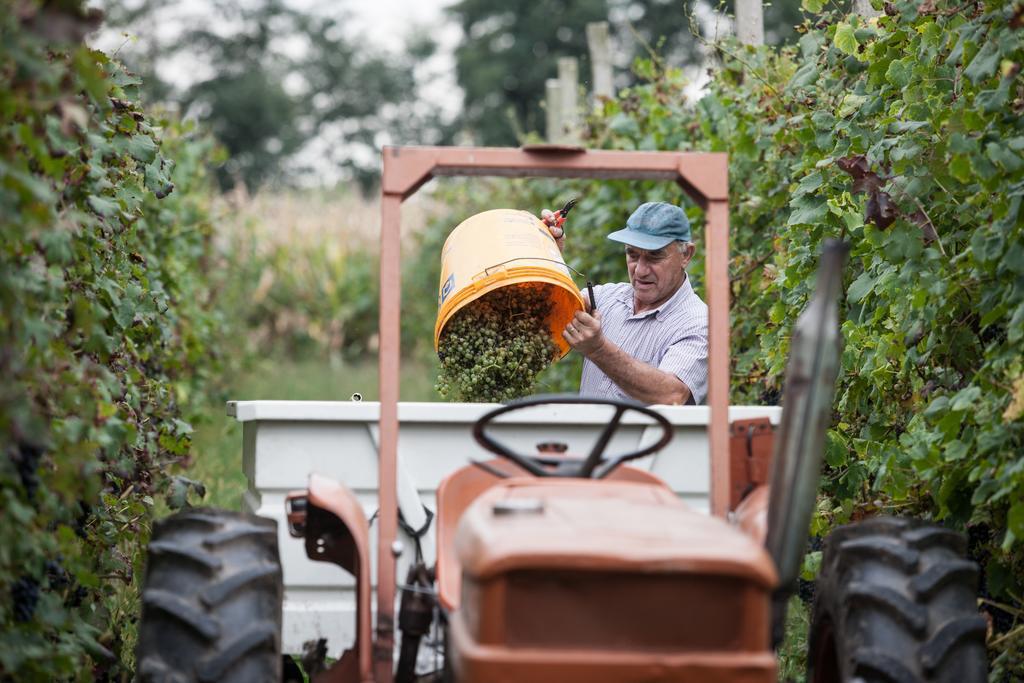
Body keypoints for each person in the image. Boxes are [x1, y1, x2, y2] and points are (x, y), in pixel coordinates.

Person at [541, 201, 708, 405]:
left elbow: (671, 395)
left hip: (653, 438)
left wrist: (598, 349)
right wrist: (545, 256)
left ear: (686, 255)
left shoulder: (699, 323)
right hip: (586, 437)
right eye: (633, 255)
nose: (640, 271)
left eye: (655, 257)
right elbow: (546, 307)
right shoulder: (607, 298)